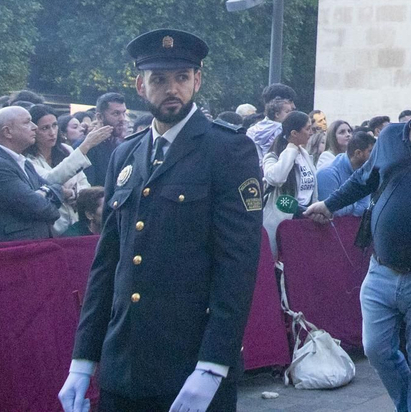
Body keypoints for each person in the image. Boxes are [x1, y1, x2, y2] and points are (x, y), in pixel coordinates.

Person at [59, 28, 262, 412]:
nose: (173, 89)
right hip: (124, 360)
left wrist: (214, 364)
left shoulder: (228, 149)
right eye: (160, 79)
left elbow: (237, 265)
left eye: (183, 78)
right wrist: (83, 360)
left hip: (189, 359)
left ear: (197, 80)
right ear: (140, 84)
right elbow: (108, 264)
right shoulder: (126, 154)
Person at [304, 83, 411, 412]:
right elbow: (364, 178)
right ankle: (409, 404)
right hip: (380, 269)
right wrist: (329, 204)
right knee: (376, 349)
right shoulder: (391, 136)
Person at [0, 105, 63, 244]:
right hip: (11, 255)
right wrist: (47, 194)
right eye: (27, 122)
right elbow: (41, 209)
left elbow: (57, 188)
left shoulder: (22, 161)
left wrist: (43, 191)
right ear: (7, 132)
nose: (34, 127)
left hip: (30, 250)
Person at [29, 105, 114, 236]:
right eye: (45, 128)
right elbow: (49, 179)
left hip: (77, 223)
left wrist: (75, 194)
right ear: (33, 130)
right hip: (52, 227)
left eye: (54, 125)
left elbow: (84, 184)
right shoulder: (27, 159)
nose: (52, 132)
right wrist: (85, 146)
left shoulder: (66, 150)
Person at [261, 110, 316, 252]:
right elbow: (277, 178)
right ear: (294, 133)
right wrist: (291, 149)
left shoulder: (305, 155)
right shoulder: (272, 157)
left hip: (305, 219)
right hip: (282, 222)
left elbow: (312, 189)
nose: (311, 133)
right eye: (308, 128)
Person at [317, 130, 376, 217]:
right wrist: (354, 205)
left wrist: (344, 203)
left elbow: (364, 207)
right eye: (371, 152)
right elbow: (329, 210)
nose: (375, 156)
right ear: (358, 153)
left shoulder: (367, 171)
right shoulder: (328, 173)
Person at [85, 92, 130, 188]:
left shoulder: (124, 145)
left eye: (123, 113)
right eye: (116, 113)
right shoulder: (87, 147)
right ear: (100, 117)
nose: (122, 119)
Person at [246, 94, 292, 164]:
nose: (290, 115)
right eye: (287, 112)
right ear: (277, 115)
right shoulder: (283, 130)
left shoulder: (253, 129)